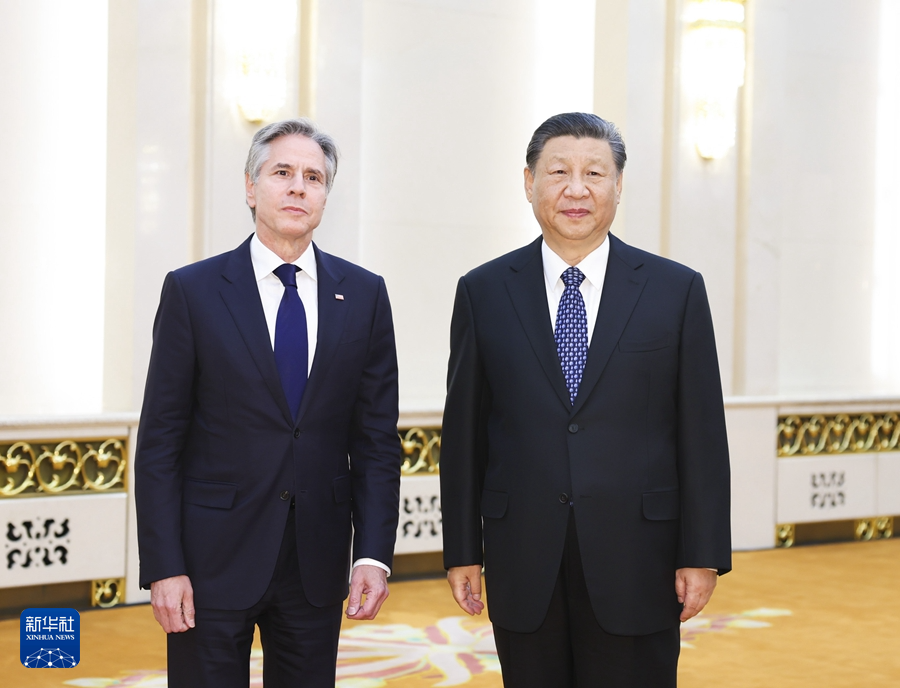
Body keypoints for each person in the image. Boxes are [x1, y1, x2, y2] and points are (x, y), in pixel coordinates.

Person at [440, 112, 731, 688]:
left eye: (595, 173)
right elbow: (464, 435)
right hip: (524, 556)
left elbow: (701, 433)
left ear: (618, 186)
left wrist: (702, 552)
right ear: (529, 182)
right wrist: (462, 549)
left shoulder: (675, 291)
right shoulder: (484, 291)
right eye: (558, 172)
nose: (577, 189)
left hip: (640, 559)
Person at [134, 118, 401, 688]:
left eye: (314, 177)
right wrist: (164, 565)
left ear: (326, 194)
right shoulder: (193, 291)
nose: (299, 187)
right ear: (251, 187)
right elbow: (160, 441)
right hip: (208, 563)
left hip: (316, 565)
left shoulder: (364, 295)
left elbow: (376, 442)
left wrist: (373, 554)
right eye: (282, 172)